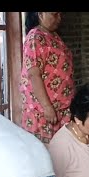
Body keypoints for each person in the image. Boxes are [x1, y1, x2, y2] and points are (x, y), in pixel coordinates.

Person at [19, 11, 75, 144]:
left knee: (60, 153)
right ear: (40, 14)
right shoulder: (35, 38)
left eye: (60, 14)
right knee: (44, 153)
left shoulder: (53, 35)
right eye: (55, 14)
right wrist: (47, 107)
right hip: (44, 111)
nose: (59, 18)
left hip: (61, 108)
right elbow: (34, 74)